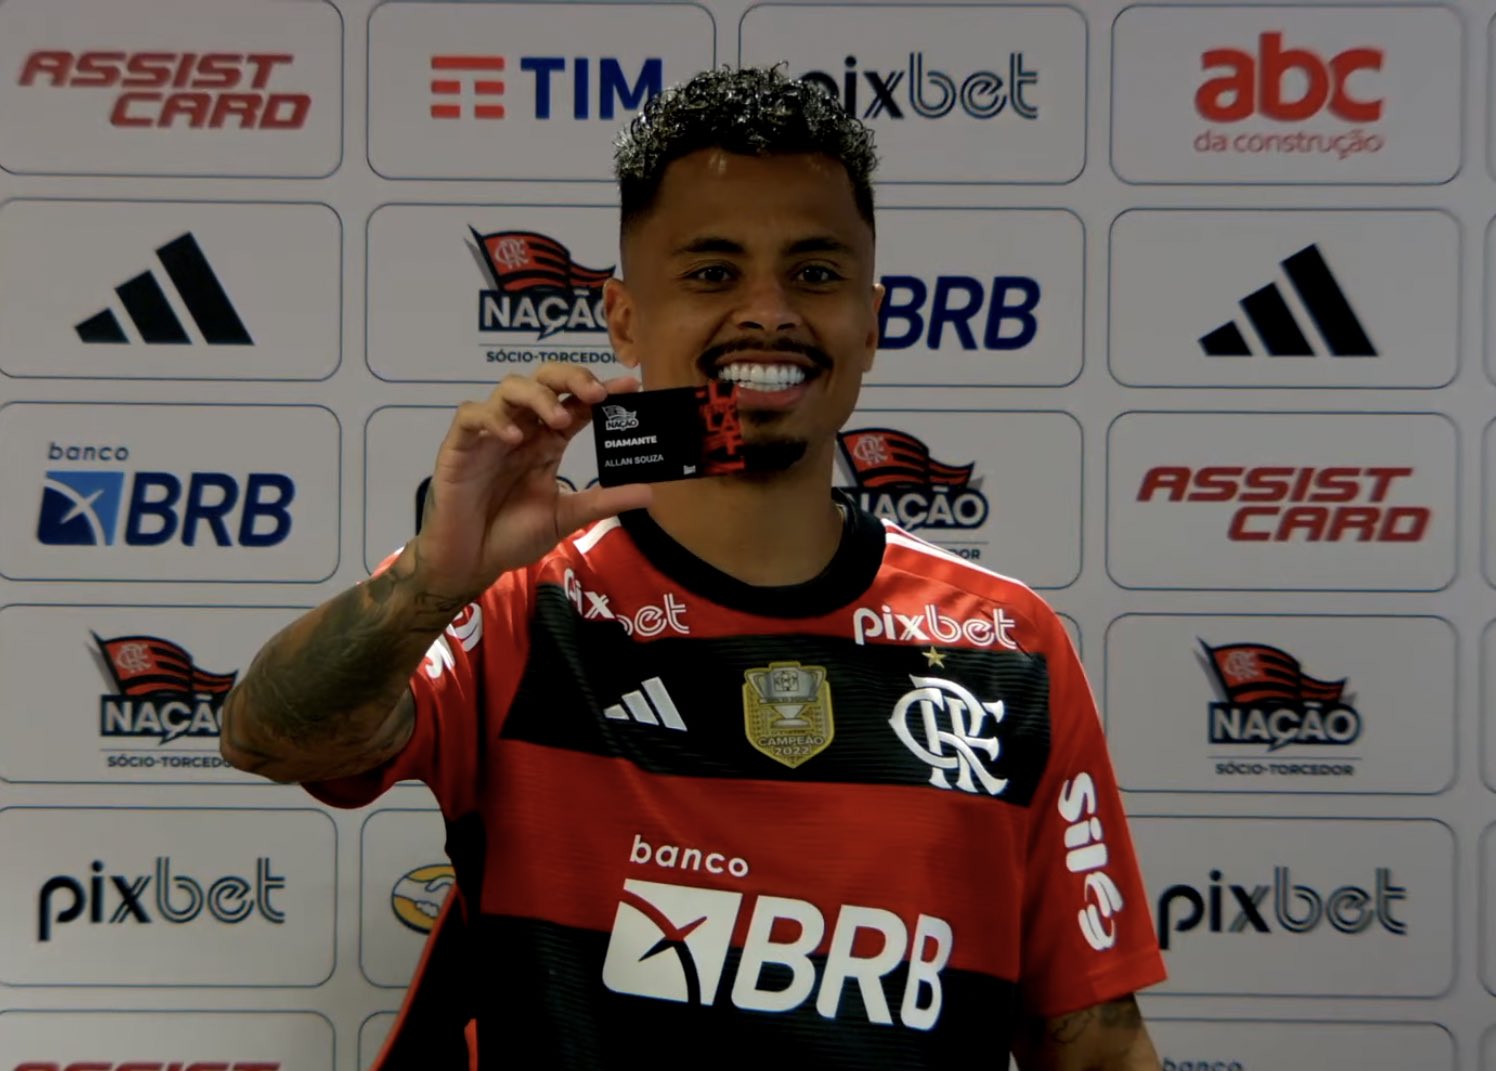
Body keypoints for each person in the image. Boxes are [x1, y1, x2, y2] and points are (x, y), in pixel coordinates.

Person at [221, 65, 1166, 1069]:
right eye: (712, 273)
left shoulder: (1005, 643)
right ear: (622, 316)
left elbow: (1095, 1044)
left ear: (873, 318)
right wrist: (428, 581)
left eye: (813, 272)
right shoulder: (511, 603)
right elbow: (269, 739)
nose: (766, 313)